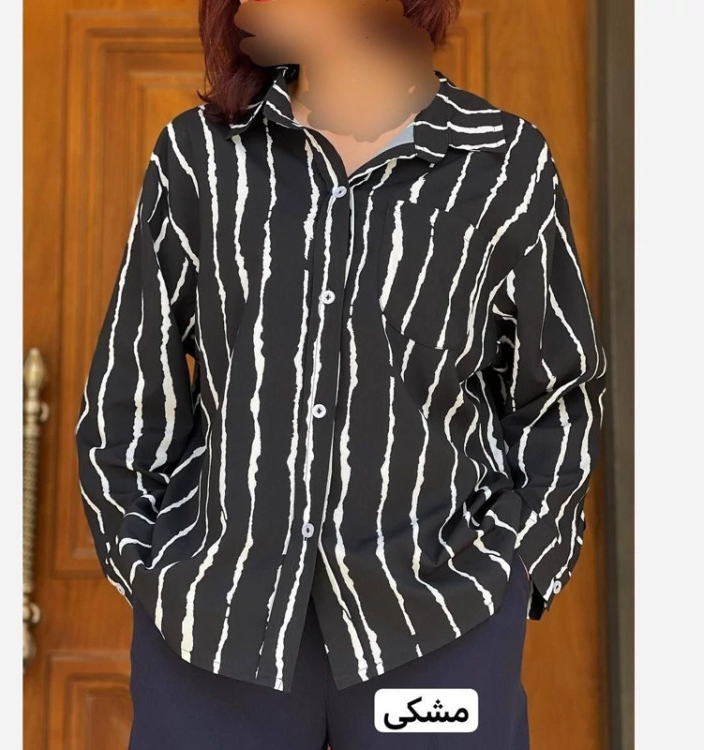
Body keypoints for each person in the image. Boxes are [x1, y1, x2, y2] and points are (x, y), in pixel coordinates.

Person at [74, 0, 608, 747]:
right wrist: (143, 558)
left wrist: (516, 567)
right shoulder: (200, 156)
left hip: (438, 620)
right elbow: (132, 385)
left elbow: (558, 392)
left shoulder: (503, 165)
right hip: (214, 627)